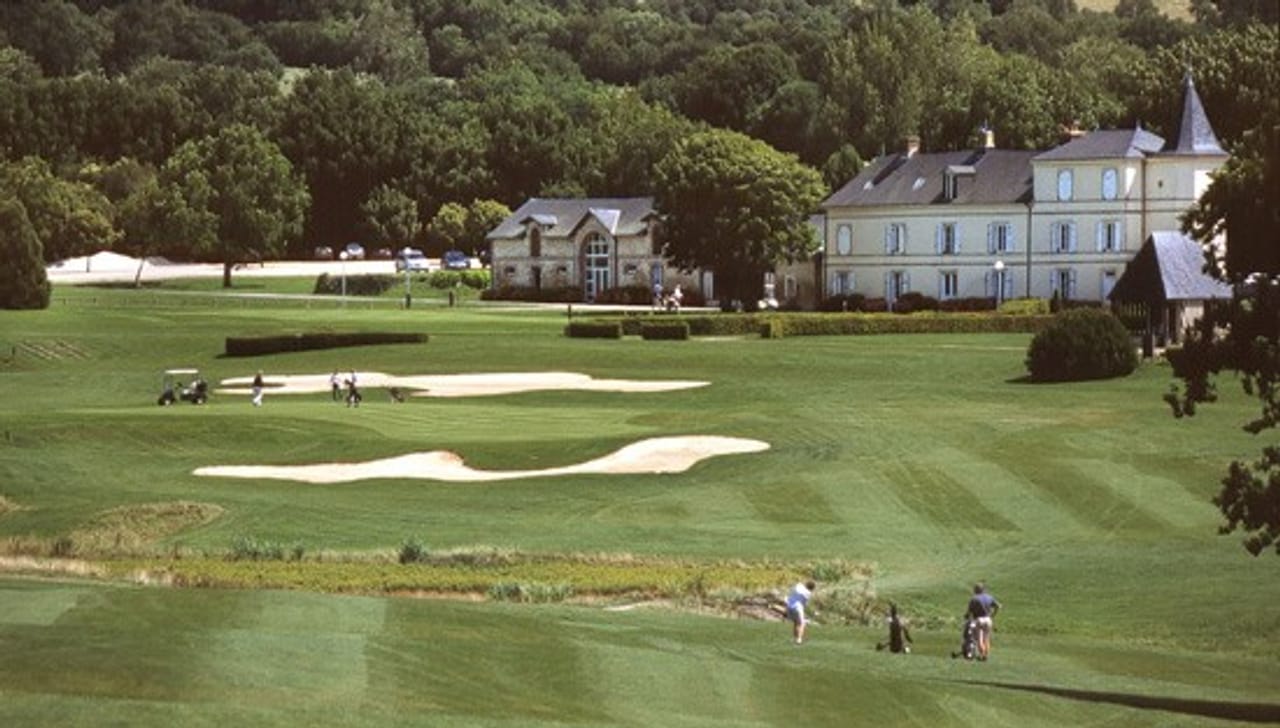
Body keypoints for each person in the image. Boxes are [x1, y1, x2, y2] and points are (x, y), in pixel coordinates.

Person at [965, 583, 1002, 661]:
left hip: (979, 619)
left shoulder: (974, 599)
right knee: (986, 638)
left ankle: (981, 655)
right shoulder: (989, 597)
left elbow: (969, 612)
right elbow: (998, 606)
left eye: (975, 589)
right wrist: (993, 615)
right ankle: (986, 655)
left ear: (977, 590)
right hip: (988, 619)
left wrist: (966, 616)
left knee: (980, 638)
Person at [785, 580, 816, 645]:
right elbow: (804, 603)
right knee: (802, 623)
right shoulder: (808, 593)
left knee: (796, 622)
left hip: (790, 606)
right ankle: (799, 639)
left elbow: (795, 586)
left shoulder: (799, 587)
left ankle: (795, 638)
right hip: (798, 608)